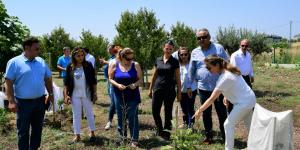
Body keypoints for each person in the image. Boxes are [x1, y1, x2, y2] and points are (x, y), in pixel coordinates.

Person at [193, 55, 256, 150]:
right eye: (206, 68)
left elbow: (212, 99)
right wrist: (226, 96)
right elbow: (236, 86)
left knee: (228, 124)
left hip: (244, 102)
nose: (208, 70)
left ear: (217, 65)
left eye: (209, 67)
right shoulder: (229, 71)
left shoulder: (225, 77)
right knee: (250, 125)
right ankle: (256, 146)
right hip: (249, 99)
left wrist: (199, 110)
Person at [5, 37, 54, 150]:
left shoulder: (41, 61)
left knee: (37, 129)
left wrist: (51, 94)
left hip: (40, 101)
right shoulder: (14, 62)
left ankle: (34, 148)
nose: (39, 51)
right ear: (27, 48)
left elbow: (48, 78)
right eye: (36, 49)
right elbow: (8, 82)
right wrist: (11, 101)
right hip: (23, 103)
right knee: (23, 131)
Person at [188, 28, 228, 143]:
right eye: (199, 38)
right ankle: (208, 136)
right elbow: (192, 69)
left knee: (221, 113)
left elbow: (226, 65)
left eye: (204, 37)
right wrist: (189, 85)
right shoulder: (195, 52)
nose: (201, 39)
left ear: (209, 37)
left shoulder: (218, 48)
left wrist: (227, 85)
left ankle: (225, 136)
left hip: (219, 88)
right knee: (206, 113)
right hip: (203, 88)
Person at [108, 48, 142, 148]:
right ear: (122, 57)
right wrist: (117, 85)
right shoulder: (115, 65)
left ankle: (134, 139)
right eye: (128, 59)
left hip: (133, 95)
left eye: (132, 58)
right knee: (120, 117)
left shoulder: (135, 65)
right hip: (119, 95)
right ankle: (122, 137)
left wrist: (135, 84)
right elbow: (110, 79)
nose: (130, 61)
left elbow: (140, 79)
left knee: (132, 117)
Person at [148, 40, 181, 140]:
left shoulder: (175, 62)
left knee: (168, 112)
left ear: (173, 50)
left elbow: (178, 78)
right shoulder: (158, 60)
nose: (168, 50)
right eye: (167, 48)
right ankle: (159, 129)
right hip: (158, 89)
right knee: (155, 110)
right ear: (163, 48)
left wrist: (179, 92)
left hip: (170, 90)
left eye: (170, 49)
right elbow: (154, 75)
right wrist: (150, 89)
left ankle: (167, 132)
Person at [64, 47, 97, 143]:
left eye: (82, 55)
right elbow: (66, 83)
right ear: (73, 56)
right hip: (75, 95)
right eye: (78, 55)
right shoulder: (70, 67)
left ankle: (92, 133)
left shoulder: (88, 65)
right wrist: (66, 95)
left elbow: (93, 81)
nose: (81, 57)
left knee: (89, 113)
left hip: (87, 94)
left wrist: (94, 93)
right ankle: (77, 135)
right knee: (76, 115)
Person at [100, 44, 121, 130]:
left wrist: (105, 62)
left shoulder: (117, 57)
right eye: (107, 48)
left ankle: (110, 121)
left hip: (116, 82)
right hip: (110, 81)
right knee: (113, 101)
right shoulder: (111, 57)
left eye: (110, 48)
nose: (108, 50)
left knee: (113, 102)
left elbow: (116, 64)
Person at [177, 47, 197, 128]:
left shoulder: (192, 64)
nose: (184, 56)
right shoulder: (177, 65)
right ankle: (185, 123)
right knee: (183, 108)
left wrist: (191, 87)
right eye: (181, 54)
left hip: (191, 89)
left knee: (190, 107)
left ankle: (191, 125)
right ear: (179, 55)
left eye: (186, 54)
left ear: (189, 55)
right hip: (181, 90)